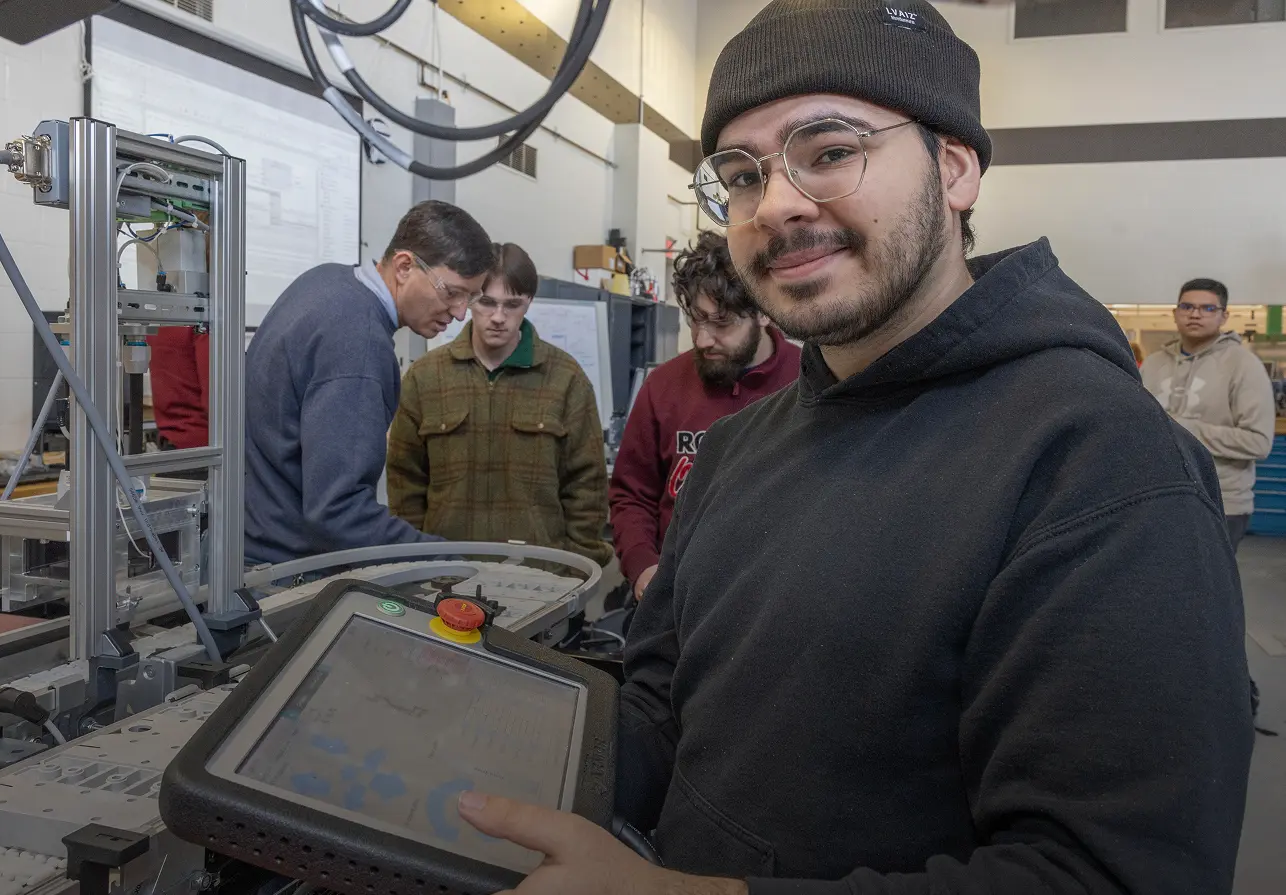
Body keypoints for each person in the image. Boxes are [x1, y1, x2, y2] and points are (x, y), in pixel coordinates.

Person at [454, 3, 1254, 893]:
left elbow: (1108, 872)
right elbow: (662, 707)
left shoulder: (1103, 463)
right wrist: (491, 738)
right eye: (743, 175)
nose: (776, 205)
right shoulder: (736, 451)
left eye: (831, 151)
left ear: (955, 168)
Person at [245, 200, 493, 565]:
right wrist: (448, 561)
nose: (459, 313)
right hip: (284, 568)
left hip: (246, 545)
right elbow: (337, 512)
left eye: (470, 298)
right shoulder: (360, 344)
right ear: (405, 266)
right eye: (451, 292)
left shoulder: (326, 280)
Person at [386, 243, 612, 565]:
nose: (498, 318)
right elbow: (404, 483)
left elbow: (588, 488)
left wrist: (574, 572)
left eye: (512, 305)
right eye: (487, 302)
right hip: (444, 576)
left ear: (529, 302)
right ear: (468, 299)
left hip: (541, 577)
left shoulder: (566, 379)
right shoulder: (425, 378)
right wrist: (416, 564)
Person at [608, 231, 800, 600]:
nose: (702, 340)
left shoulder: (809, 382)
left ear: (764, 311)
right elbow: (632, 495)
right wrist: (642, 565)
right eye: (695, 320)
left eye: (721, 323)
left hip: (775, 600)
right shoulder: (663, 386)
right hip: (674, 599)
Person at [1141, 278, 1276, 551]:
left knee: (1209, 579)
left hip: (1220, 501)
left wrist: (1184, 429)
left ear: (1224, 316)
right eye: (1187, 306)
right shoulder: (1153, 364)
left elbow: (1259, 442)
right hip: (1157, 496)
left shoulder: (1243, 366)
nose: (1195, 314)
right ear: (1175, 312)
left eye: (1207, 308)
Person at [149, 326, 209, 450]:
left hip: (171, 441)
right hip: (202, 445)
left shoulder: (159, 324)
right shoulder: (202, 324)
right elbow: (216, 399)